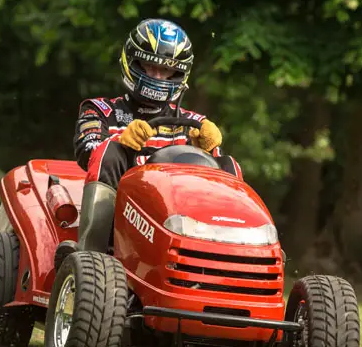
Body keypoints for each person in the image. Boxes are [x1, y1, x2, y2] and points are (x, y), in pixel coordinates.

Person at [68, 18, 243, 255]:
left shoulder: (195, 124)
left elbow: (215, 176)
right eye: (150, 67)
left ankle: (232, 254)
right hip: (120, 225)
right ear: (132, 63)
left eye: (167, 70)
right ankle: (90, 256)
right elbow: (87, 150)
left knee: (228, 164)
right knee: (110, 151)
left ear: (179, 74)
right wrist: (121, 141)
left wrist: (207, 151)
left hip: (179, 222)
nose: (158, 77)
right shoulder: (99, 110)